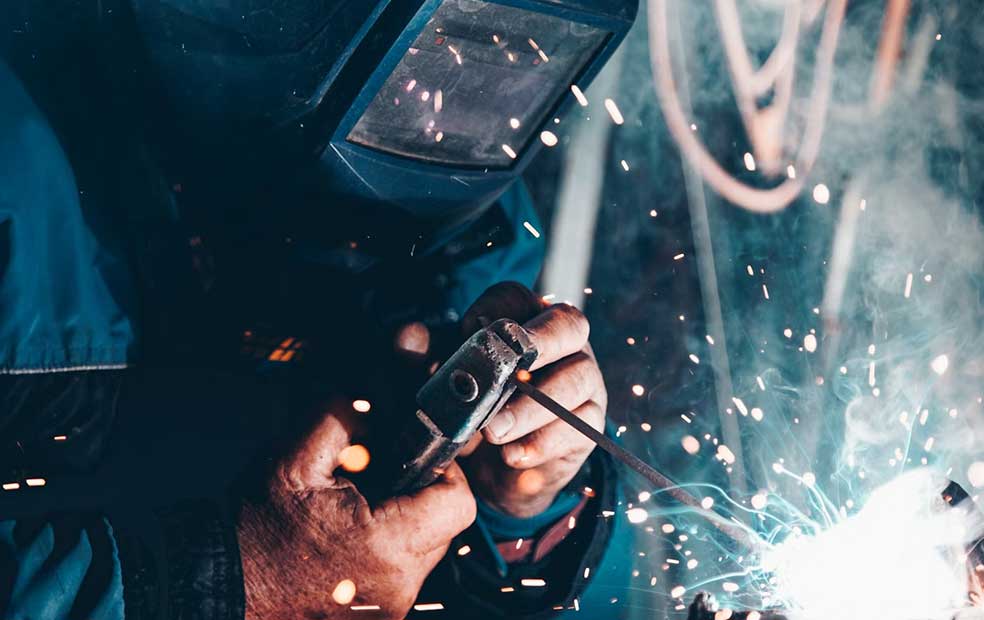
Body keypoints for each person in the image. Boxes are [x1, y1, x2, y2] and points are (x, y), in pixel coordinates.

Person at [0, 1, 635, 618]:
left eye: (503, 60)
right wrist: (228, 589)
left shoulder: (473, 246)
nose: (448, 95)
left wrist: (528, 511)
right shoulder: (20, 180)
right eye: (436, 54)